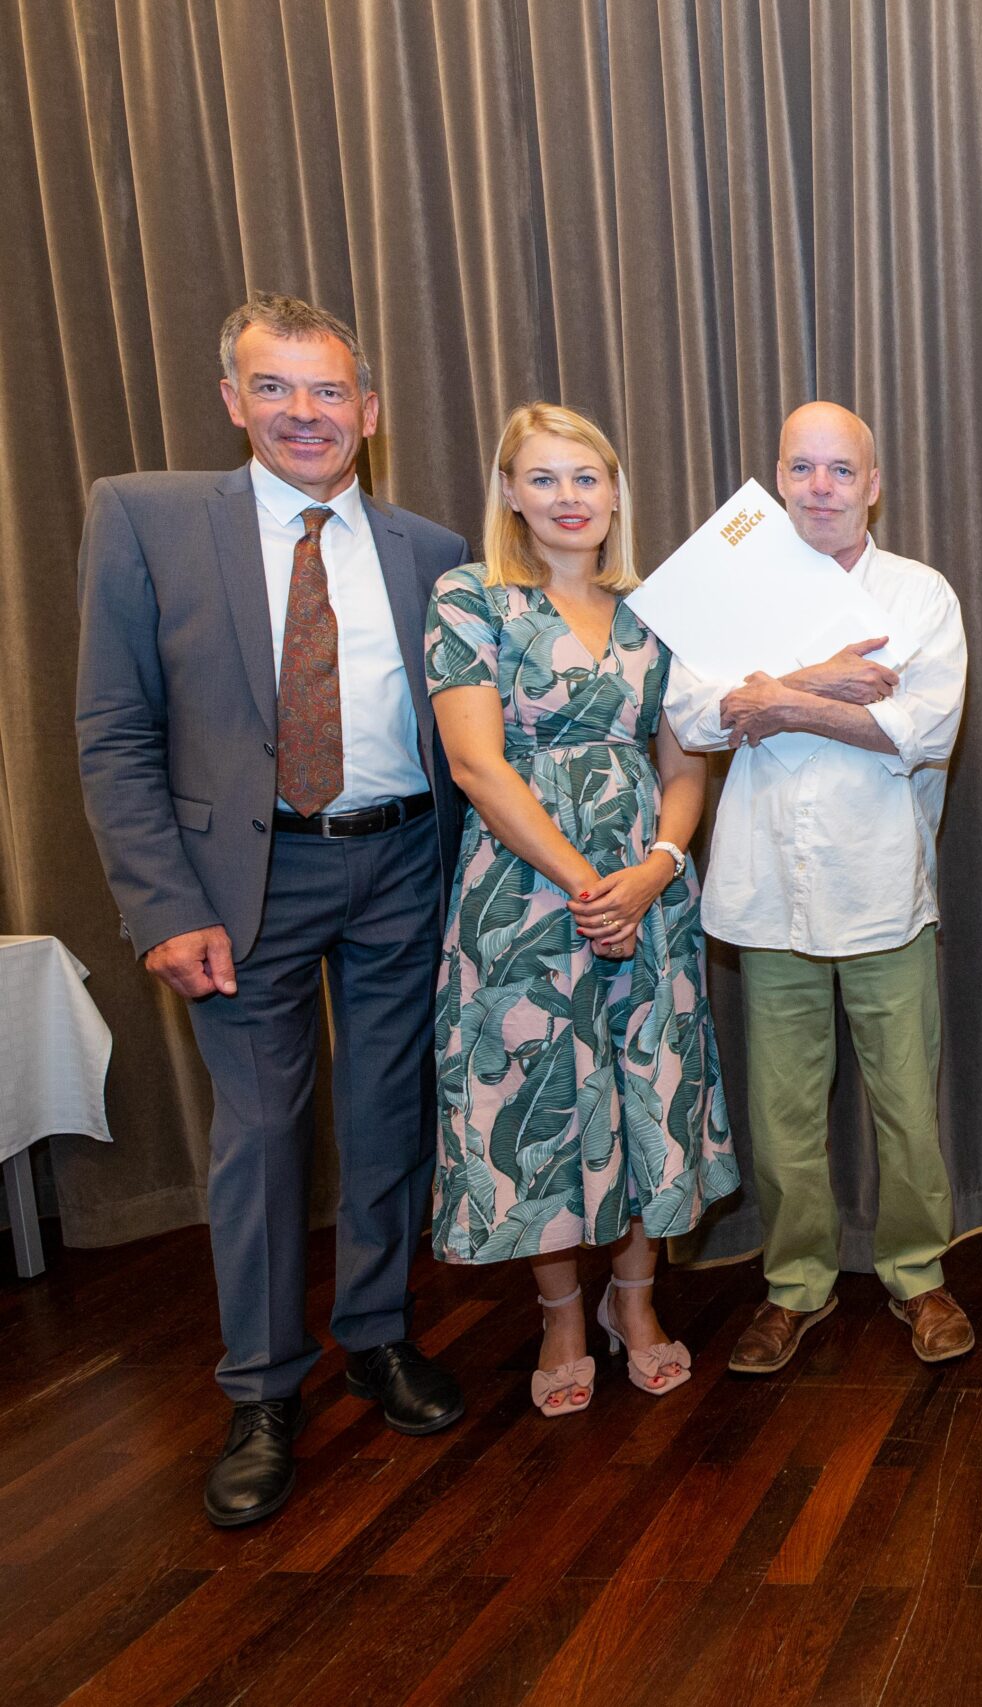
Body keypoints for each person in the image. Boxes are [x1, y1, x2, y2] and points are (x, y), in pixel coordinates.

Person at [76, 292, 470, 1526]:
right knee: (259, 1136)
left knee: (388, 1116)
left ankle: (378, 1335)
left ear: (370, 409)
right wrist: (161, 906)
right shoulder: (142, 519)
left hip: (405, 864)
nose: (307, 414)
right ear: (233, 399)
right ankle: (260, 1389)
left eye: (329, 391)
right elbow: (113, 731)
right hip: (240, 886)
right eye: (277, 388)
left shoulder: (431, 550)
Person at [425, 402, 736, 1416]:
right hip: (521, 896)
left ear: (615, 493)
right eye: (545, 478)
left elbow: (685, 764)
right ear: (510, 492)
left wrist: (652, 868)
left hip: (647, 895)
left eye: (586, 478)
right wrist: (580, 881)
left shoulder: (658, 610)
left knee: (649, 1091)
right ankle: (562, 1315)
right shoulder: (470, 597)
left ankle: (635, 1306)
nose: (569, 499)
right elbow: (476, 763)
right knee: (534, 1101)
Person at [662, 402, 976, 1373]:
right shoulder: (731, 588)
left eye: (842, 471)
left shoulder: (921, 595)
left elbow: (917, 730)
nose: (822, 489)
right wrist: (821, 682)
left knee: (905, 1107)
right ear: (779, 478)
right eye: (803, 470)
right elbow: (691, 713)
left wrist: (766, 697)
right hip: (764, 897)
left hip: (882, 889)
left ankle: (917, 1278)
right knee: (783, 1112)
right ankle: (795, 1286)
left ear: (874, 484)